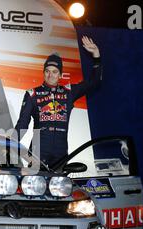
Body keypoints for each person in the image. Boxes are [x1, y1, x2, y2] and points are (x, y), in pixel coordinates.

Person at [14, 36, 102, 168]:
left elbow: (94, 83)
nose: (51, 75)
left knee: (59, 188)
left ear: (61, 75)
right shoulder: (32, 94)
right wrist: (9, 144)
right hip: (39, 150)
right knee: (35, 186)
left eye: (55, 72)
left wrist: (96, 56)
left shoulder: (68, 92)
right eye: (47, 71)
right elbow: (22, 125)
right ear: (43, 73)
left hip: (61, 152)